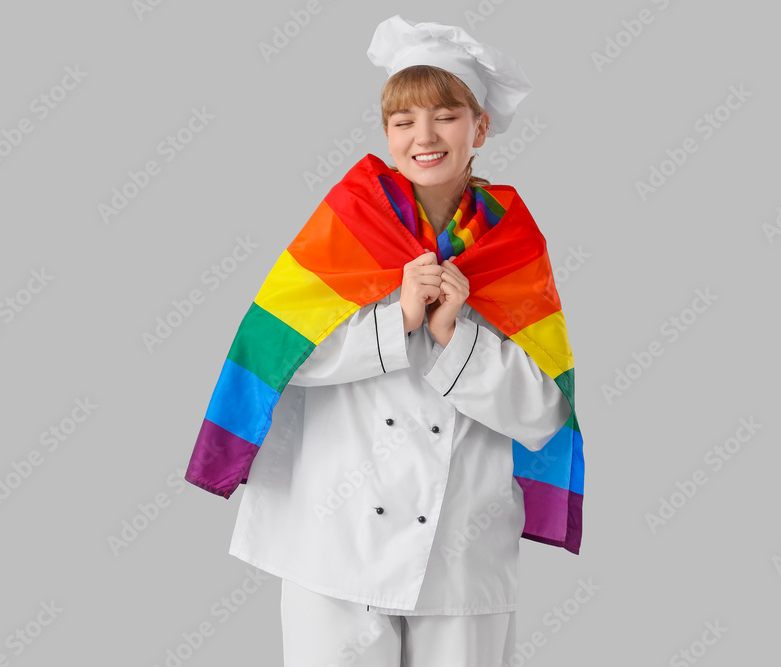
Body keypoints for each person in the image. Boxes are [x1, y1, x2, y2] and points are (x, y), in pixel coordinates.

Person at [184, 15, 583, 667]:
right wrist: (393, 319)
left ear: (479, 128)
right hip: (332, 546)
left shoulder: (513, 246)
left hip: (462, 554)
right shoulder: (347, 223)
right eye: (404, 121)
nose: (424, 136)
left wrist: (456, 336)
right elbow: (275, 355)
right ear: (387, 133)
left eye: (447, 115)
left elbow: (543, 416)